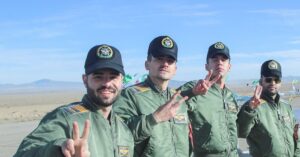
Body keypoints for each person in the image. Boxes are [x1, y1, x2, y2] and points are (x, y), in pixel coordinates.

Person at [14, 44, 134, 157]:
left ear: (121, 81)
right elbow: (25, 153)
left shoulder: (123, 130)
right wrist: (59, 150)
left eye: (113, 77)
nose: (107, 83)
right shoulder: (65, 118)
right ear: (85, 80)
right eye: (98, 77)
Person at [113, 35, 190, 157]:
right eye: (159, 58)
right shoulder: (130, 96)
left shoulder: (179, 100)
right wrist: (154, 118)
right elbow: (118, 135)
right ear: (147, 64)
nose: (165, 63)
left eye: (170, 61)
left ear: (175, 69)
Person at [179, 42, 239, 157]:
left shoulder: (230, 96)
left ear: (229, 66)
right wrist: (191, 93)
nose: (219, 62)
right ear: (206, 66)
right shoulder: (196, 88)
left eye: (223, 59)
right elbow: (170, 102)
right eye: (215, 59)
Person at [237, 60, 300, 157]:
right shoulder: (252, 106)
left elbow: (295, 136)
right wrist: (250, 110)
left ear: (280, 82)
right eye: (268, 80)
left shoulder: (286, 106)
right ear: (261, 80)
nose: (273, 83)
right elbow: (240, 132)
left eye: (277, 80)